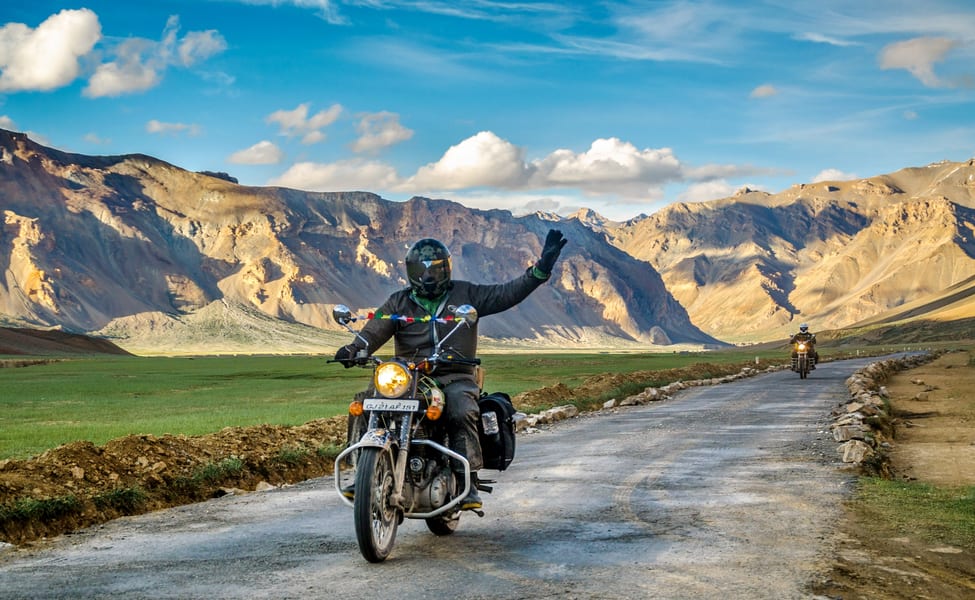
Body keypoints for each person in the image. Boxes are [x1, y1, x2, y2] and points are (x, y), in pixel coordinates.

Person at [333, 229, 567, 511]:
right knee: (364, 402)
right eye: (422, 269)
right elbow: (375, 329)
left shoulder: (466, 294)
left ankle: (466, 479)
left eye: (435, 269)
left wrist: (541, 270)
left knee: (460, 408)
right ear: (411, 271)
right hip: (409, 378)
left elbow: (507, 293)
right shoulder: (399, 301)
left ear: (446, 268)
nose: (429, 276)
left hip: (454, 374)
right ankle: (362, 473)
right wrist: (355, 348)